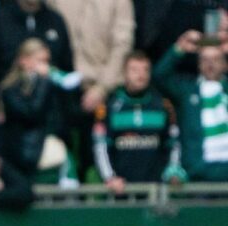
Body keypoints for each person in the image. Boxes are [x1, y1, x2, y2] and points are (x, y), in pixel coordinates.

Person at [46, 0, 136, 180]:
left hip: (104, 90)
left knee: (97, 161)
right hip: (59, 88)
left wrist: (102, 88)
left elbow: (123, 45)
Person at [93, 51, 186, 194]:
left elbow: (173, 144)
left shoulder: (163, 106)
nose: (141, 75)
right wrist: (110, 178)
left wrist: (172, 171)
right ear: (124, 73)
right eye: (134, 70)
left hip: (156, 191)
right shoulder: (109, 107)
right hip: (121, 191)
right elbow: (101, 146)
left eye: (145, 70)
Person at [0, 38, 78, 187]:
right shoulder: (10, 89)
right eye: (40, 61)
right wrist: (44, 82)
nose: (46, 66)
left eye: (47, 61)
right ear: (24, 60)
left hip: (49, 145)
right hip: (24, 153)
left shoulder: (50, 85)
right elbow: (31, 113)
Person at [153, 30, 228, 181]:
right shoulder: (187, 91)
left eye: (215, 59)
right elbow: (159, 76)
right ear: (199, 64)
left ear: (225, 64)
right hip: (198, 176)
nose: (210, 64)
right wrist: (179, 48)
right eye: (205, 59)